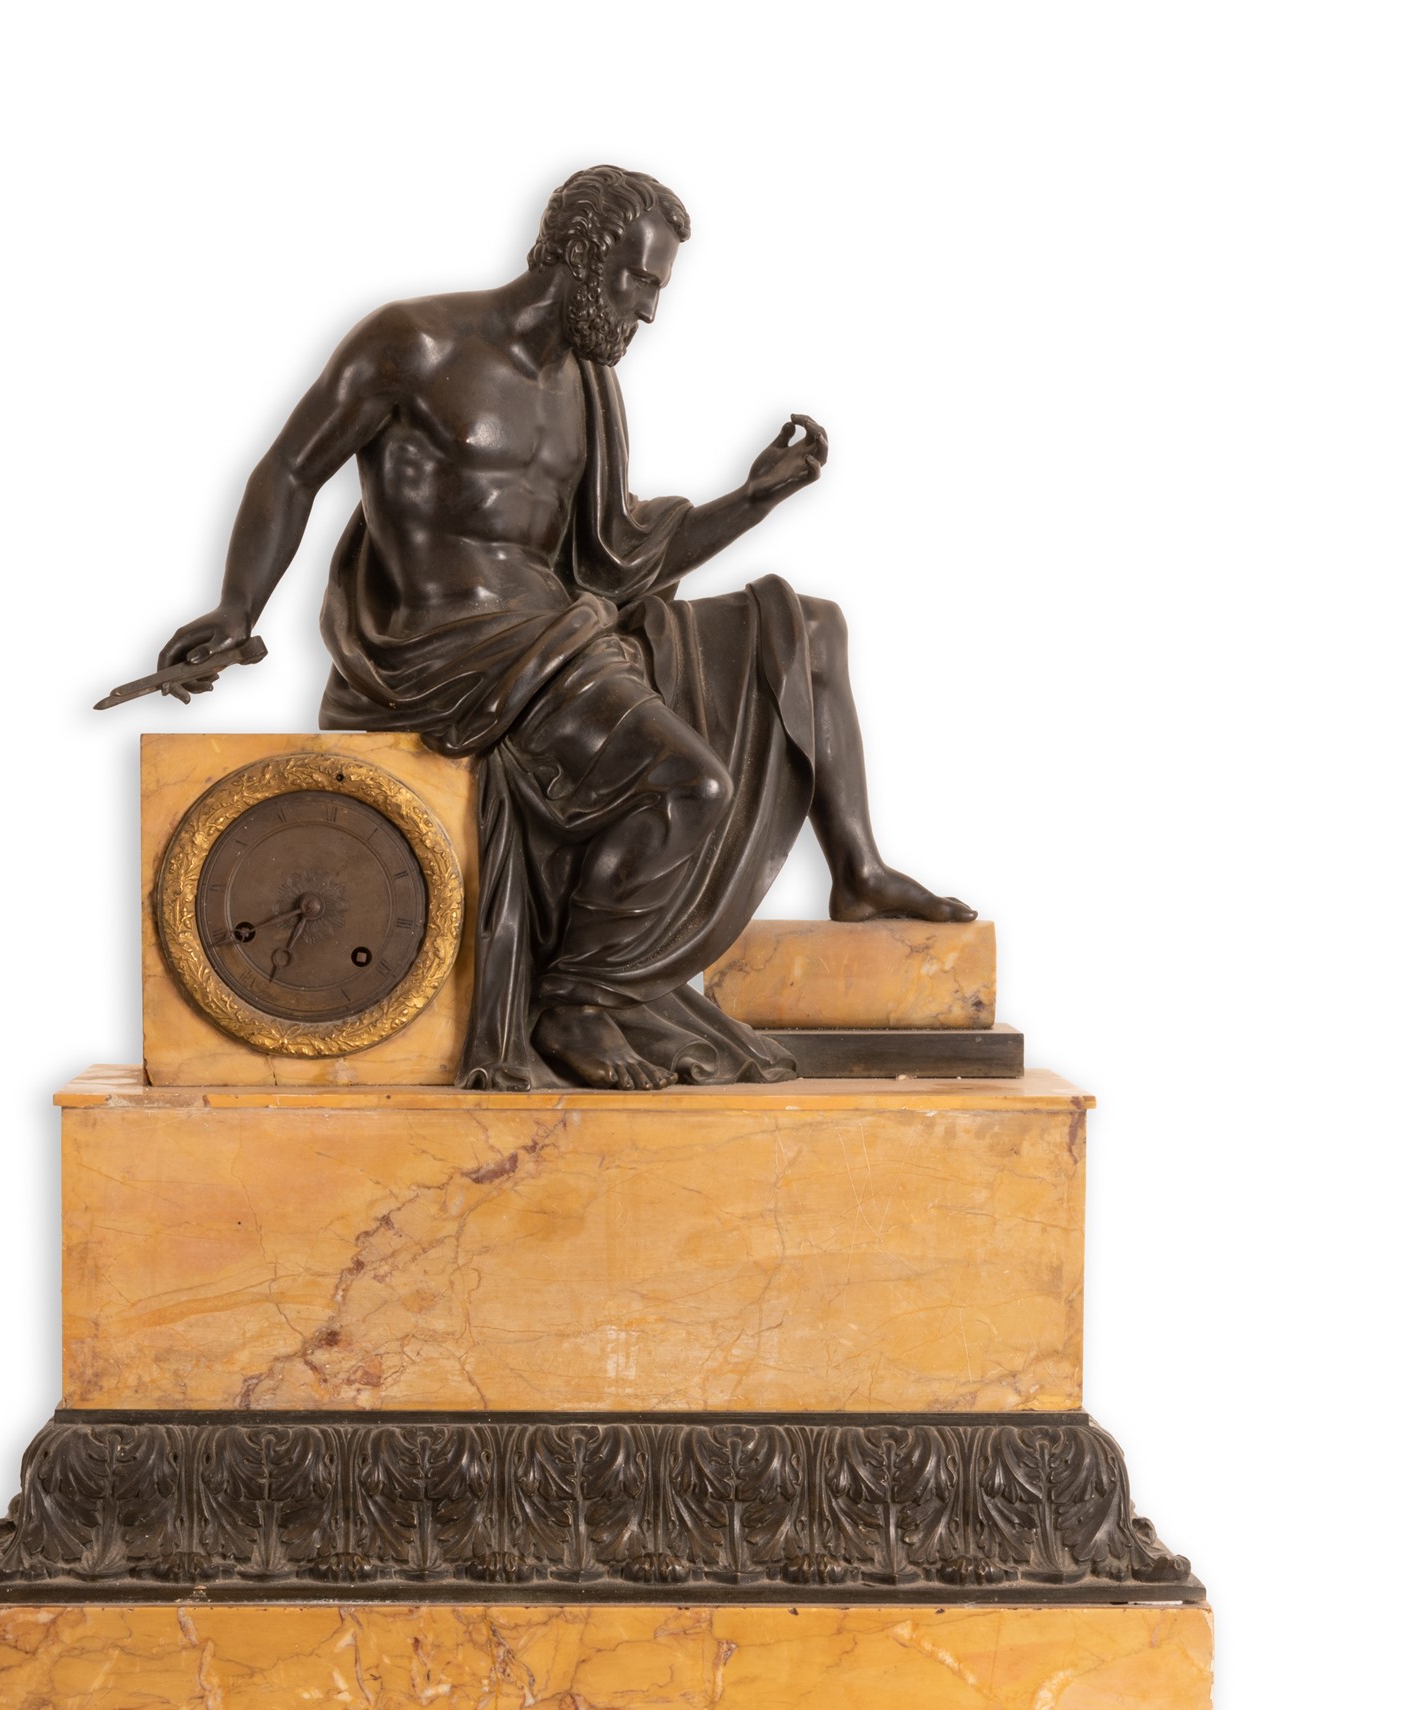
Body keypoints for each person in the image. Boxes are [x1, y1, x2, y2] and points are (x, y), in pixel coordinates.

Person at [157, 165, 973, 1090]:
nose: (650, 311)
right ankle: (577, 998)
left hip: (559, 635)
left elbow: (618, 558)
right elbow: (292, 469)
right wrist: (236, 608)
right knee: (691, 784)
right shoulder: (413, 341)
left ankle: (857, 871)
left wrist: (754, 500)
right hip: (449, 657)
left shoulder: (588, 386)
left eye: (658, 287)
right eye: (641, 281)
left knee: (810, 628)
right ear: (580, 256)